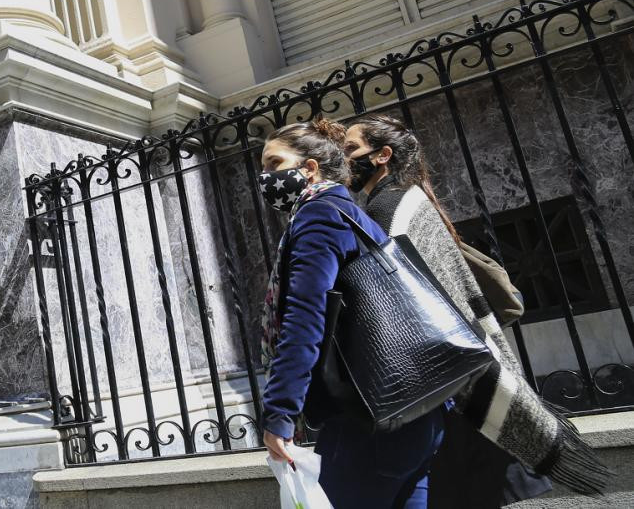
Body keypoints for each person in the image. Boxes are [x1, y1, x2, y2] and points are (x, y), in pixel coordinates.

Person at [344, 113, 607, 505]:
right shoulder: (406, 199)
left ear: (382, 155)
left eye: (351, 149)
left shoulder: (389, 208)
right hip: (462, 372)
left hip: (447, 382)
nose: (344, 158)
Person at [259, 119, 445, 509]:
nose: (266, 177)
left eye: (274, 164)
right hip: (416, 409)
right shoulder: (349, 214)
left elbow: (305, 315)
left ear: (309, 168)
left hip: (368, 419)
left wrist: (280, 412)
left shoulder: (319, 215)